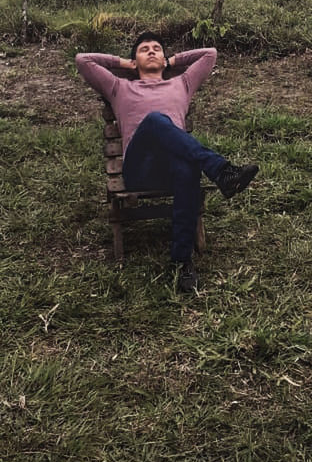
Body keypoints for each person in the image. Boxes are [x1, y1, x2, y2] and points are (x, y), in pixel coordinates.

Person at [75, 32, 258, 291]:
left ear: (164, 59)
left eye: (157, 49)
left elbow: (210, 54)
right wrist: (124, 64)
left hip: (171, 169)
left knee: (187, 169)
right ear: (134, 61)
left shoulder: (182, 83)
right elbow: (82, 60)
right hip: (140, 168)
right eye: (143, 49)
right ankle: (222, 171)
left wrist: (172, 61)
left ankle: (181, 262)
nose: (151, 51)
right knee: (155, 120)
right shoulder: (119, 87)